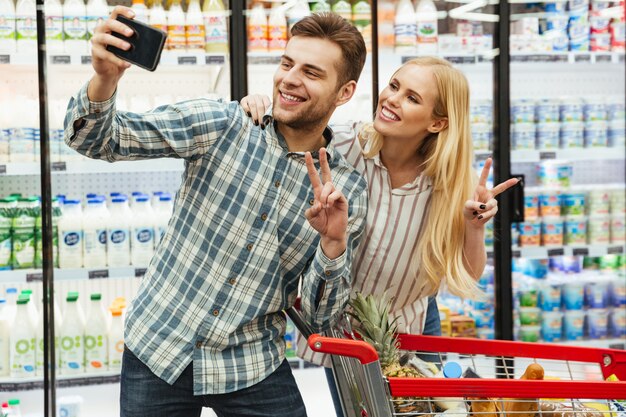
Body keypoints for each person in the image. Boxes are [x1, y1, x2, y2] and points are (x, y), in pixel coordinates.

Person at [63, 7, 369, 417]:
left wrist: (333, 244)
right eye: (286, 63)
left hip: (251, 362)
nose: (290, 78)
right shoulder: (222, 124)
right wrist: (105, 77)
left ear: (345, 92)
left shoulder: (345, 191)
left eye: (312, 72)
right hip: (159, 348)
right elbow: (98, 141)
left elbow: (318, 318)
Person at [242, 56, 519, 417]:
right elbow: (284, 135)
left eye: (412, 98)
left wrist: (473, 226)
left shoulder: (452, 185)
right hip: (346, 330)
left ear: (438, 122)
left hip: (413, 325)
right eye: (393, 86)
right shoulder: (340, 148)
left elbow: (467, 274)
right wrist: (258, 109)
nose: (391, 98)